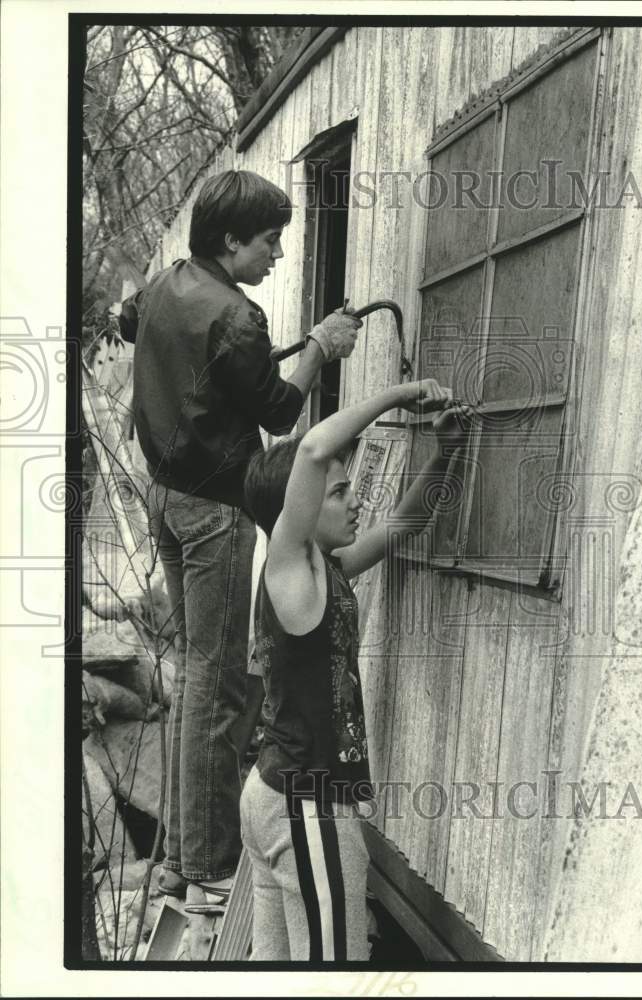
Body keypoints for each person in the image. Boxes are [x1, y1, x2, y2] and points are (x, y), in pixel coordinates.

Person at [118, 169, 362, 914]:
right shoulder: (239, 318)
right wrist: (322, 345)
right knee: (220, 689)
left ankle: (182, 862)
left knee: (194, 678)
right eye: (269, 241)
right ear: (231, 241)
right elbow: (285, 412)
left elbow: (131, 324)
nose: (279, 255)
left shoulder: (166, 286)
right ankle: (213, 865)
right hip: (212, 509)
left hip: (163, 495)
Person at [239, 377, 472, 960]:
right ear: (301, 503)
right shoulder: (288, 571)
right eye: (340, 492)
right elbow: (315, 449)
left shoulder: (328, 568)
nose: (356, 500)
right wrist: (402, 395)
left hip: (275, 794)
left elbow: (401, 526)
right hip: (309, 805)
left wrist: (447, 453)